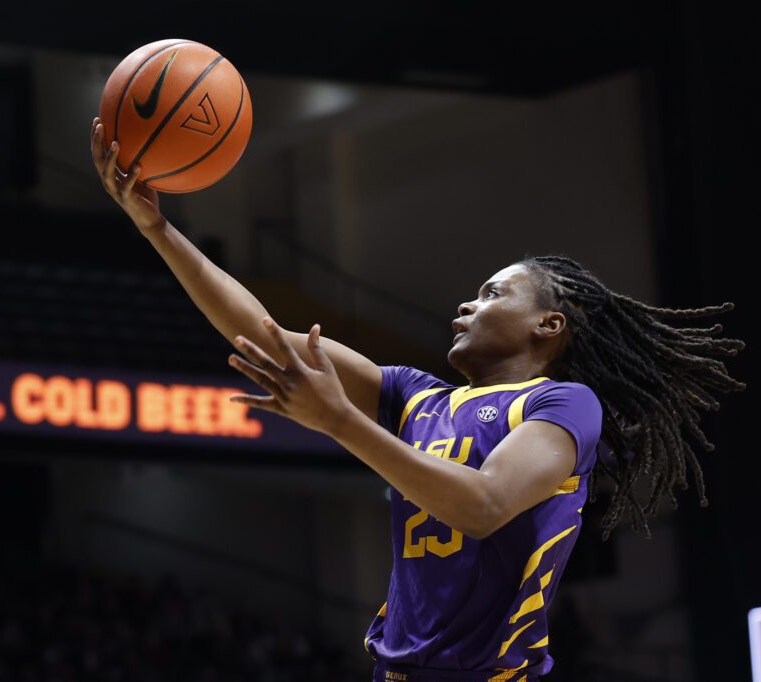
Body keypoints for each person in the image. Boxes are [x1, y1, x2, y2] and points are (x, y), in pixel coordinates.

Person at [89, 117, 747, 681]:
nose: (467, 304)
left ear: (549, 325)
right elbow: (262, 334)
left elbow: (484, 506)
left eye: (493, 294)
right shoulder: (415, 396)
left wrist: (339, 421)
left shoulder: (563, 404)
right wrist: (158, 230)